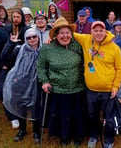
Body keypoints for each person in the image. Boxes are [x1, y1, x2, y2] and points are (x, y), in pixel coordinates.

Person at [73, 21, 121, 148]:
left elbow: (120, 68)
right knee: (92, 115)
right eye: (95, 30)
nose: (98, 33)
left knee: (108, 116)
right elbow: (69, 34)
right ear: (91, 32)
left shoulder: (114, 48)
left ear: (106, 31)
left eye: (101, 30)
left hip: (108, 90)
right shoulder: (86, 40)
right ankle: (94, 135)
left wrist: (115, 86)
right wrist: (51, 37)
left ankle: (108, 138)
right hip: (90, 89)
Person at [37, 18, 87, 146]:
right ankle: (64, 137)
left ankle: (79, 136)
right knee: (63, 115)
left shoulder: (78, 45)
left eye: (67, 33)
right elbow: (41, 66)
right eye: (61, 33)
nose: (65, 36)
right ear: (56, 35)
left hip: (78, 87)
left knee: (78, 114)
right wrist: (44, 81)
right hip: (58, 89)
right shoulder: (47, 48)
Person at [3, 28, 42, 144]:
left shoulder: (43, 50)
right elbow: (6, 58)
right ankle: (22, 129)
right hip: (21, 82)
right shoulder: (19, 50)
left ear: (38, 37)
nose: (32, 39)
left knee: (35, 106)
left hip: (37, 83)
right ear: (25, 39)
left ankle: (36, 131)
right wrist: (10, 43)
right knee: (21, 106)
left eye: (34, 36)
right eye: (29, 37)